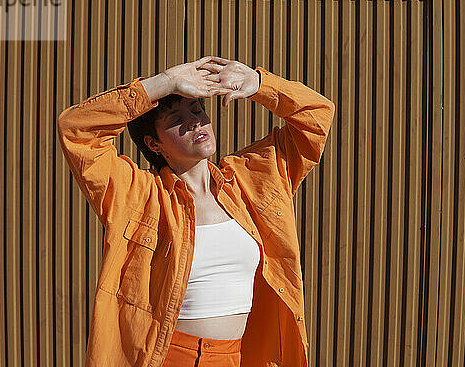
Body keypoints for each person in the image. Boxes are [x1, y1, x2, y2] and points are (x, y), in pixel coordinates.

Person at [57, 56, 335, 367]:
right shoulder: (138, 194)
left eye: (197, 109)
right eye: (176, 119)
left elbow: (317, 117)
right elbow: (76, 129)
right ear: (154, 143)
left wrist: (259, 85)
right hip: (169, 357)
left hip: (241, 357)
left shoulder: (252, 181)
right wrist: (164, 82)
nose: (194, 122)